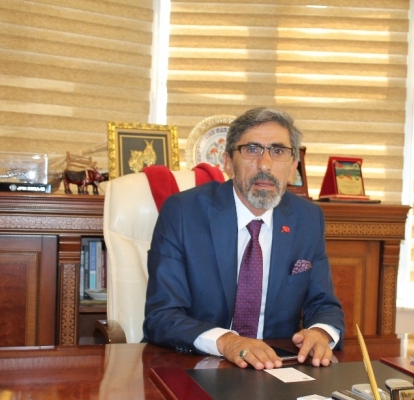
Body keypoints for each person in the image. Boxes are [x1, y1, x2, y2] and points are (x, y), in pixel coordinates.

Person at [143, 107, 345, 370]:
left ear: (293, 166)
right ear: (228, 162)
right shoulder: (183, 213)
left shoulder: (307, 218)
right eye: (252, 149)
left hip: (276, 366)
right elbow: (161, 315)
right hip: (194, 363)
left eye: (278, 151)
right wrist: (226, 341)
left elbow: (324, 304)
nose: (265, 164)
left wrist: (320, 332)